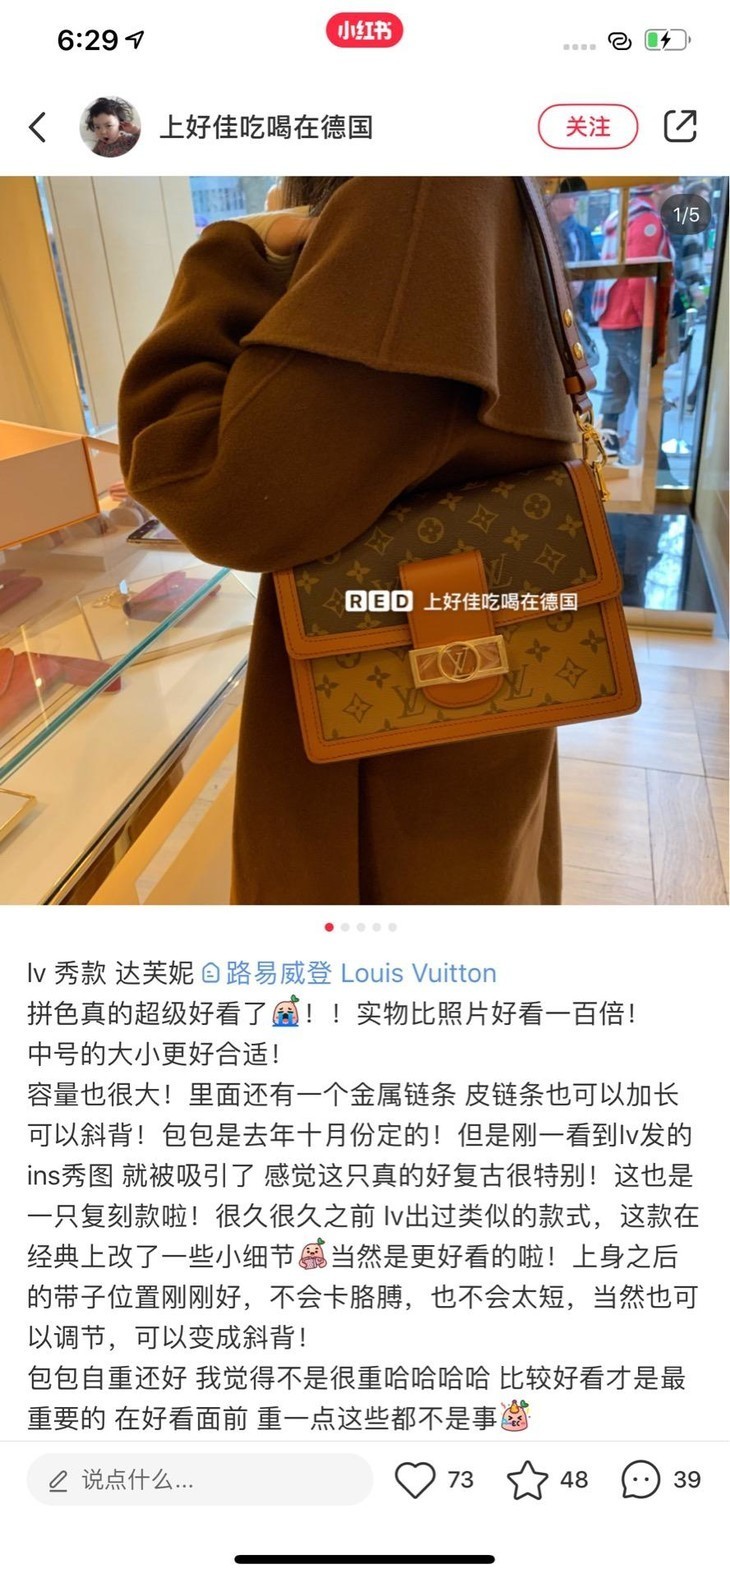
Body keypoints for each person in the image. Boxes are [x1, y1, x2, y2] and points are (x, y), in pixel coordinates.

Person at [118, 178, 581, 905]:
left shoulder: (413, 190)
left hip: (389, 744)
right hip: (467, 712)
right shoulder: (477, 181)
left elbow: (207, 486)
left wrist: (232, 252)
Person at [592, 187, 673, 459]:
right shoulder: (647, 220)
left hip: (613, 317)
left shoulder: (623, 215)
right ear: (659, 187)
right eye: (674, 185)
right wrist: (651, 325)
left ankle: (609, 451)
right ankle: (657, 463)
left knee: (615, 387)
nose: (678, 190)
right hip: (632, 318)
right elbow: (639, 277)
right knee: (648, 392)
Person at [549, 176, 599, 362]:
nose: (576, 199)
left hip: (575, 313)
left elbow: (593, 272)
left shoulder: (581, 234)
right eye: (570, 194)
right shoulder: (540, 229)